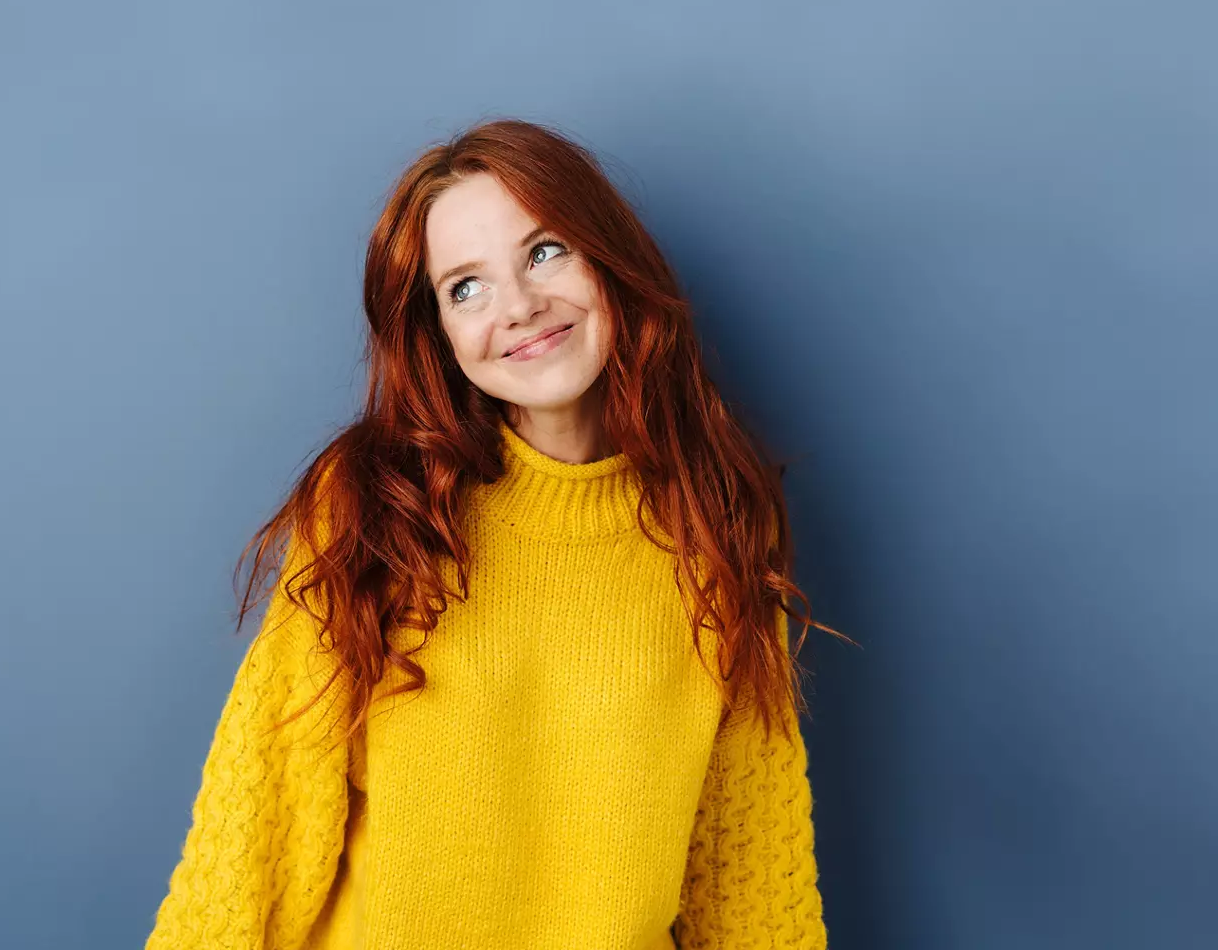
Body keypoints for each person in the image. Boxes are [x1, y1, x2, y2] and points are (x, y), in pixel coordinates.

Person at [143, 117, 844, 949]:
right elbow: (262, 812)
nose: (518, 307)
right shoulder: (377, 506)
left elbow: (747, 865)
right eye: (465, 287)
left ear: (608, 258)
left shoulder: (720, 518)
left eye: (545, 251)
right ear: (437, 333)